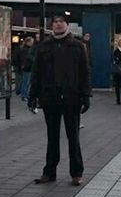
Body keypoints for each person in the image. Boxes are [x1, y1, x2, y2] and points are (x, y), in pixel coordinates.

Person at [30, 15, 91, 186]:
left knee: (73, 137)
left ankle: (76, 173)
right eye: (55, 22)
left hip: (72, 98)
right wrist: (33, 95)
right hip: (50, 98)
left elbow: (84, 72)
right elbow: (37, 73)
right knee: (52, 137)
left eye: (61, 22)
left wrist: (86, 95)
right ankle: (49, 172)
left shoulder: (77, 46)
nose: (57, 24)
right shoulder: (44, 47)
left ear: (66, 25)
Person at [17, 36, 35, 101]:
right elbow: (25, 59)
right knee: (25, 82)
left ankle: (25, 94)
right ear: (28, 42)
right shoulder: (25, 50)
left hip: (28, 67)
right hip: (27, 68)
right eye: (31, 42)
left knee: (26, 82)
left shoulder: (27, 49)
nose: (32, 43)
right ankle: (24, 95)